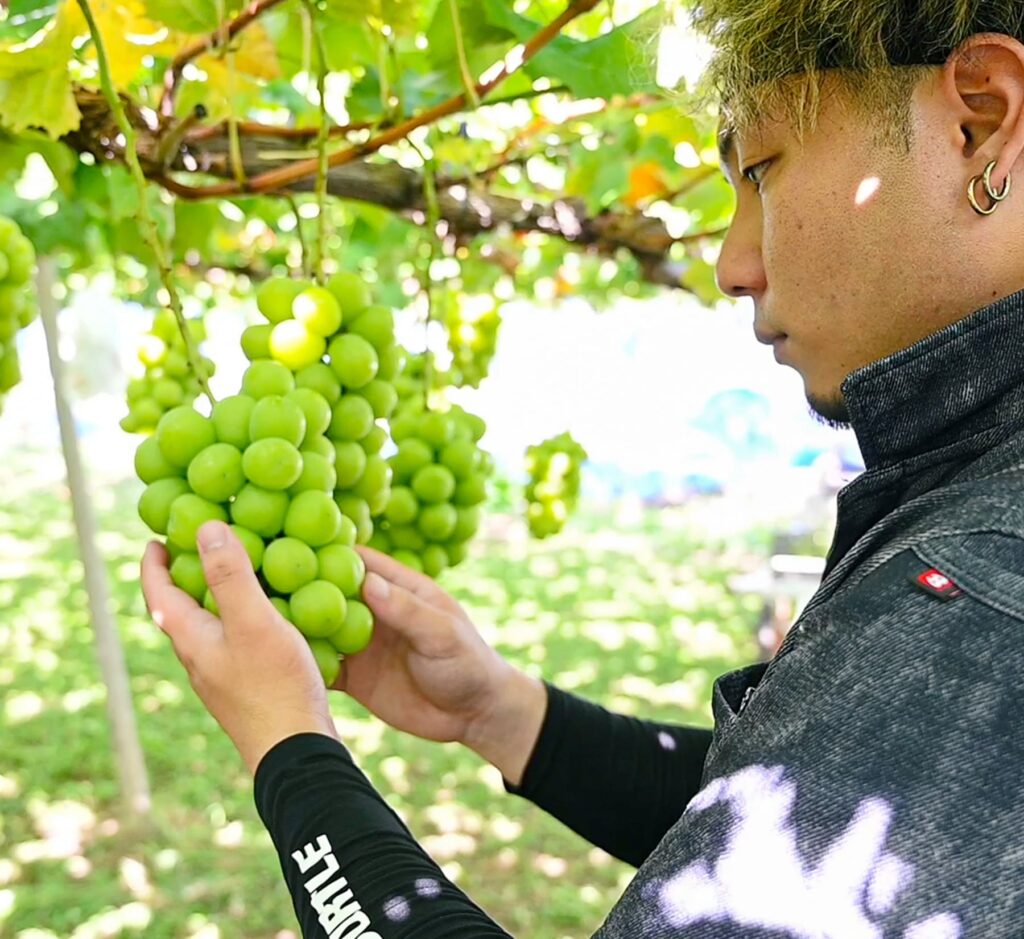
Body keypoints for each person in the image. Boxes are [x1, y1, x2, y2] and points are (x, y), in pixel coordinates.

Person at [142, 4, 1024, 936]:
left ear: (981, 117)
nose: (729, 264)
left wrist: (291, 751)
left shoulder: (977, 591)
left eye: (761, 171)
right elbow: (781, 818)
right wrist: (508, 713)